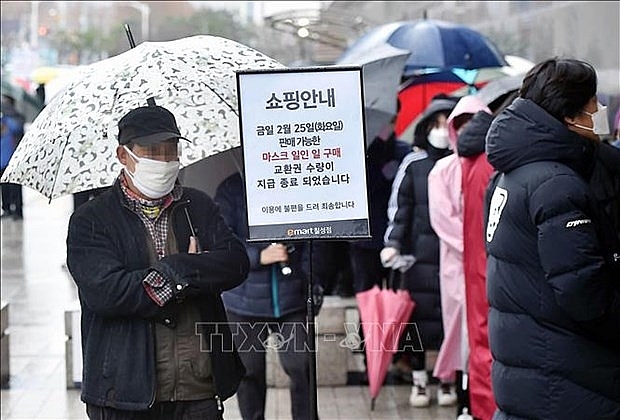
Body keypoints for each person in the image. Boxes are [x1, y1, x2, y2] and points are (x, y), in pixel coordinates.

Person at [66, 104, 250, 419]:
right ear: (124, 156)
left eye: (171, 150)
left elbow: (235, 263)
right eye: (152, 151)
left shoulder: (198, 206)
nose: (164, 161)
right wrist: (182, 272)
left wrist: (181, 269)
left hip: (198, 388)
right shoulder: (91, 220)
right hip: (123, 393)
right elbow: (108, 293)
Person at [484, 58, 620, 419]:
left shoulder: (514, 173)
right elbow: (584, 294)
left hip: (533, 370)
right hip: (566, 378)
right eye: (593, 102)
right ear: (570, 116)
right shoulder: (556, 184)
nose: (600, 108)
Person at [214, 171, 316, 420]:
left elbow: (314, 239)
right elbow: (220, 243)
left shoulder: (296, 183)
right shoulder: (231, 189)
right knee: (249, 372)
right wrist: (257, 257)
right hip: (243, 301)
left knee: (301, 366)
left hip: (291, 298)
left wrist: (311, 279)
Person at [380, 95, 457, 407]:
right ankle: (420, 381)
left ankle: (449, 381)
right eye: (435, 124)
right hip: (418, 259)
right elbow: (401, 209)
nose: (440, 130)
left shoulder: (460, 162)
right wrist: (393, 244)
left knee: (451, 324)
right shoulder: (413, 164)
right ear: (426, 128)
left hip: (454, 257)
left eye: (446, 124)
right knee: (417, 325)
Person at [427, 95, 491, 416]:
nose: (467, 131)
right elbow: (443, 219)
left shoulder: (495, 165)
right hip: (456, 265)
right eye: (461, 124)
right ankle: (466, 400)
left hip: (489, 265)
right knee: (462, 334)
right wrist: (475, 245)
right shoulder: (442, 170)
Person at [455, 109, 498, 420]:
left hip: (476, 268)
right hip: (489, 269)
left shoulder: (473, 159)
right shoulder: (491, 162)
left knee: (481, 345)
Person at [1, 94, 25, 220]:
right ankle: (7, 208)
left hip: (14, 160)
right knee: (4, 187)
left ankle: (18, 210)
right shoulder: (2, 119)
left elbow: (17, 128)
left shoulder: (16, 118)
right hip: (2, 160)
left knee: (15, 187)